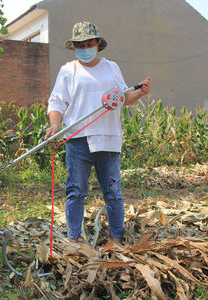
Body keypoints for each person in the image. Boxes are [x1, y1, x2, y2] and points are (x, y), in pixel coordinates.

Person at [44, 22, 151, 244]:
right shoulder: (68, 70)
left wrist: (139, 93)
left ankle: (117, 239)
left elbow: (122, 98)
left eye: (88, 43)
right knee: (75, 191)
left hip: (108, 140)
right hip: (77, 140)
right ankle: (74, 239)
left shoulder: (111, 68)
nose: (84, 48)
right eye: (79, 44)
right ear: (74, 46)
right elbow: (56, 102)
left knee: (112, 192)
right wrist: (54, 124)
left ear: (98, 44)